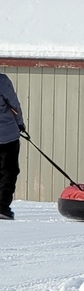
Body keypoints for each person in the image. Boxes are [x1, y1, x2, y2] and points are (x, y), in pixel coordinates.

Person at [0, 73, 27, 220]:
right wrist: (20, 123)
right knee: (9, 171)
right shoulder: (2, 81)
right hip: (7, 135)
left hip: (7, 133)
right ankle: (2, 206)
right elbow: (14, 105)